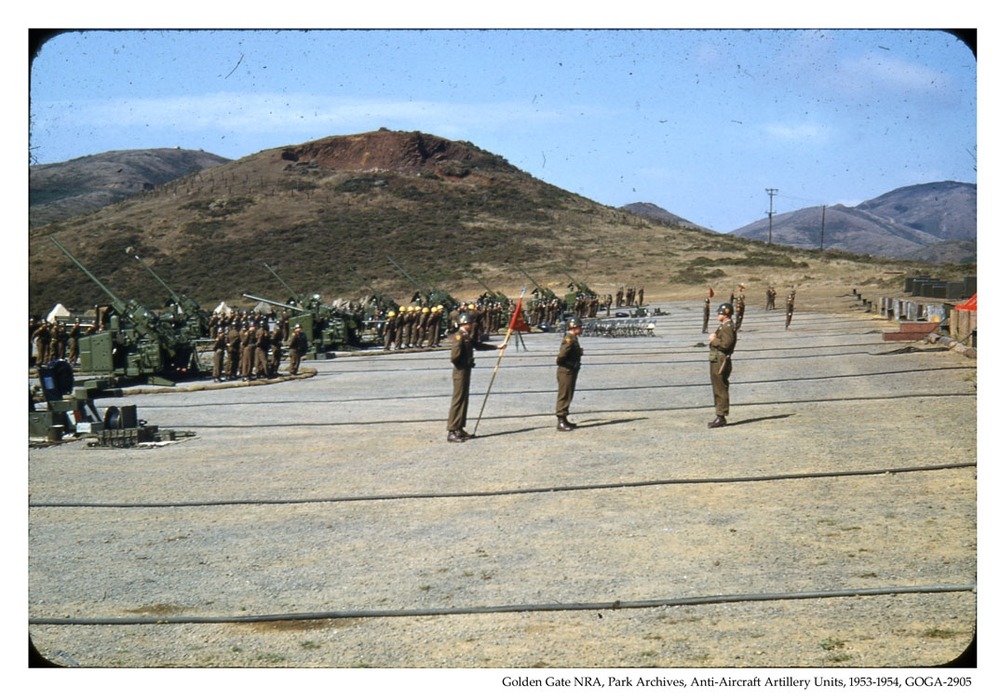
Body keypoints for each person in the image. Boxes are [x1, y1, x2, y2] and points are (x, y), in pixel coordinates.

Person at [447, 311, 506, 443]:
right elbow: (455, 356)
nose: (472, 325)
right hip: (460, 371)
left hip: (466, 370)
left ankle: (459, 428)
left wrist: (497, 347)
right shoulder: (459, 337)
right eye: (470, 323)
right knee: (458, 400)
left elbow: (478, 346)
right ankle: (452, 430)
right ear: (465, 323)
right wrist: (462, 365)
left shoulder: (466, 336)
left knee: (464, 399)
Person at [708, 302, 737, 428]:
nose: (717, 314)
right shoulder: (724, 326)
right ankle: (719, 414)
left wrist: (714, 339)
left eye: (719, 313)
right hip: (717, 359)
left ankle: (721, 415)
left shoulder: (727, 327)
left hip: (721, 360)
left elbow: (726, 344)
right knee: (718, 386)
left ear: (725, 314)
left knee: (720, 387)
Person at [555, 317, 584, 431]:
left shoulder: (573, 338)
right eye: (580, 327)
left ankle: (564, 418)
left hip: (570, 370)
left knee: (568, 394)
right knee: (564, 395)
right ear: (574, 327)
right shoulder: (569, 338)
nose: (581, 329)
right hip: (566, 371)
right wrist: (560, 361)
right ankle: (561, 420)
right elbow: (562, 354)